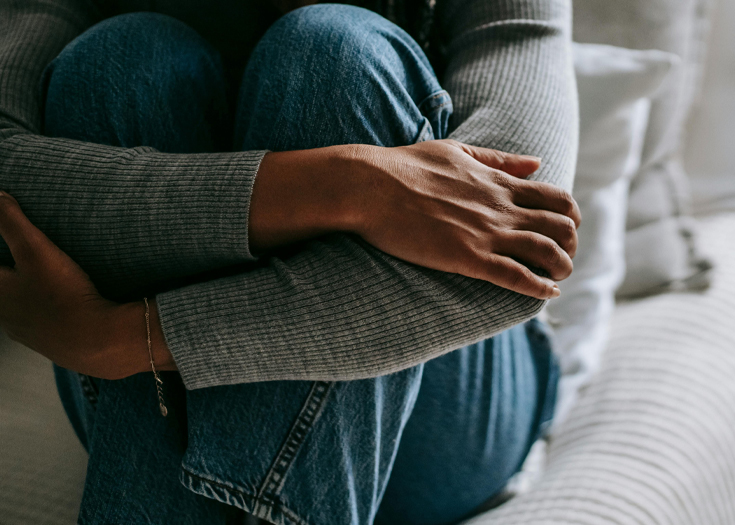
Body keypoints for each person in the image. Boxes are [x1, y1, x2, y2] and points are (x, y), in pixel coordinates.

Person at [0, 0, 578, 523]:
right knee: (118, 63)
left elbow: (524, 254)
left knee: (335, 52)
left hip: (441, 408)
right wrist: (348, 185)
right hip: (141, 381)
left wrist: (121, 339)